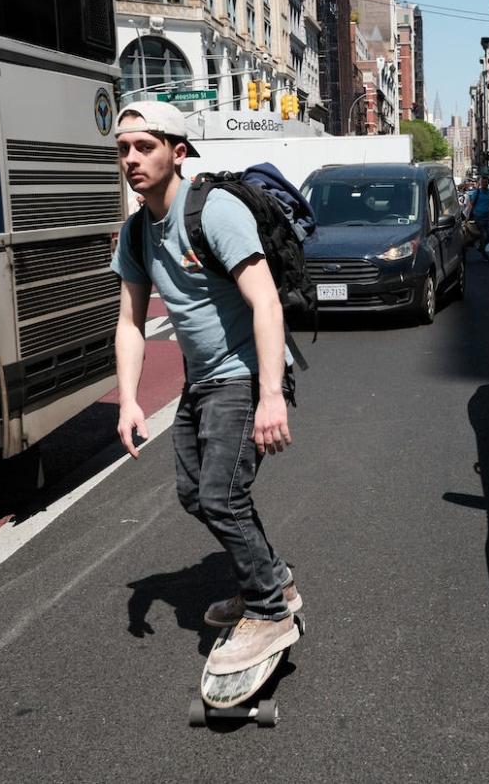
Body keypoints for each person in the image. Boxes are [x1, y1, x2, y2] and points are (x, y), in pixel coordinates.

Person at [111, 100, 301, 674]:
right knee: (195, 494)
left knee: (222, 495)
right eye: (123, 149)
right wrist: (128, 400)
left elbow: (265, 302)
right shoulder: (138, 231)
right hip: (203, 382)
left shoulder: (213, 211)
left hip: (244, 375)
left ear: (178, 150)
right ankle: (272, 579)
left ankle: (270, 613)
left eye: (144, 146)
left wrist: (271, 395)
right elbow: (129, 322)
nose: (132, 159)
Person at [465, 175, 489, 259]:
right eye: (483, 182)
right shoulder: (477, 192)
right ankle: (483, 253)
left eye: (486, 182)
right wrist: (467, 216)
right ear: (480, 183)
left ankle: (480, 247)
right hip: (478, 217)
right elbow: (471, 204)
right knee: (483, 235)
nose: (484, 184)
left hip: (487, 218)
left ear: (488, 183)